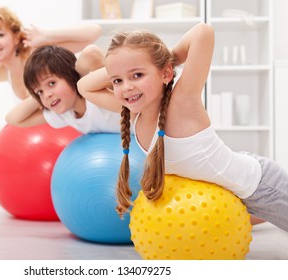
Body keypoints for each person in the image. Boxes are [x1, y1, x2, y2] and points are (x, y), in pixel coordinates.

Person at [78, 23, 287, 231]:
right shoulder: (136, 113)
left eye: (137, 75)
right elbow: (84, 87)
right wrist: (125, 65)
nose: (127, 86)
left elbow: (203, 32)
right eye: (117, 80)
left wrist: (161, 60)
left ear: (167, 74)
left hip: (260, 188)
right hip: (222, 198)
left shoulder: (182, 103)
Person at [0, 6, 102, 101]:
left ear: (16, 37)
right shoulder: (5, 71)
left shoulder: (38, 55)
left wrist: (45, 36)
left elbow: (94, 32)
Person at [4, 44, 122, 134]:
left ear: (70, 76)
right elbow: (13, 119)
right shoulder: (64, 114)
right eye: (40, 92)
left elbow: (91, 53)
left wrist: (77, 73)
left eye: (51, 83)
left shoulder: (97, 91)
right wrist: (39, 94)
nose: (47, 95)